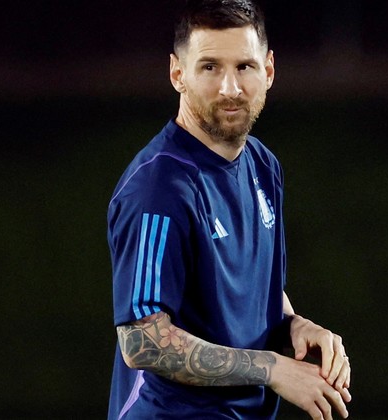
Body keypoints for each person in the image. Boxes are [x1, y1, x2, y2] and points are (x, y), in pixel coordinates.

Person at [107, 1, 351, 418]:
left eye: (244, 67)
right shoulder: (158, 188)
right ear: (177, 74)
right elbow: (142, 341)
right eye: (209, 67)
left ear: (268, 70)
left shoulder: (262, 164)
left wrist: (295, 325)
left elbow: (254, 291)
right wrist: (272, 368)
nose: (230, 88)